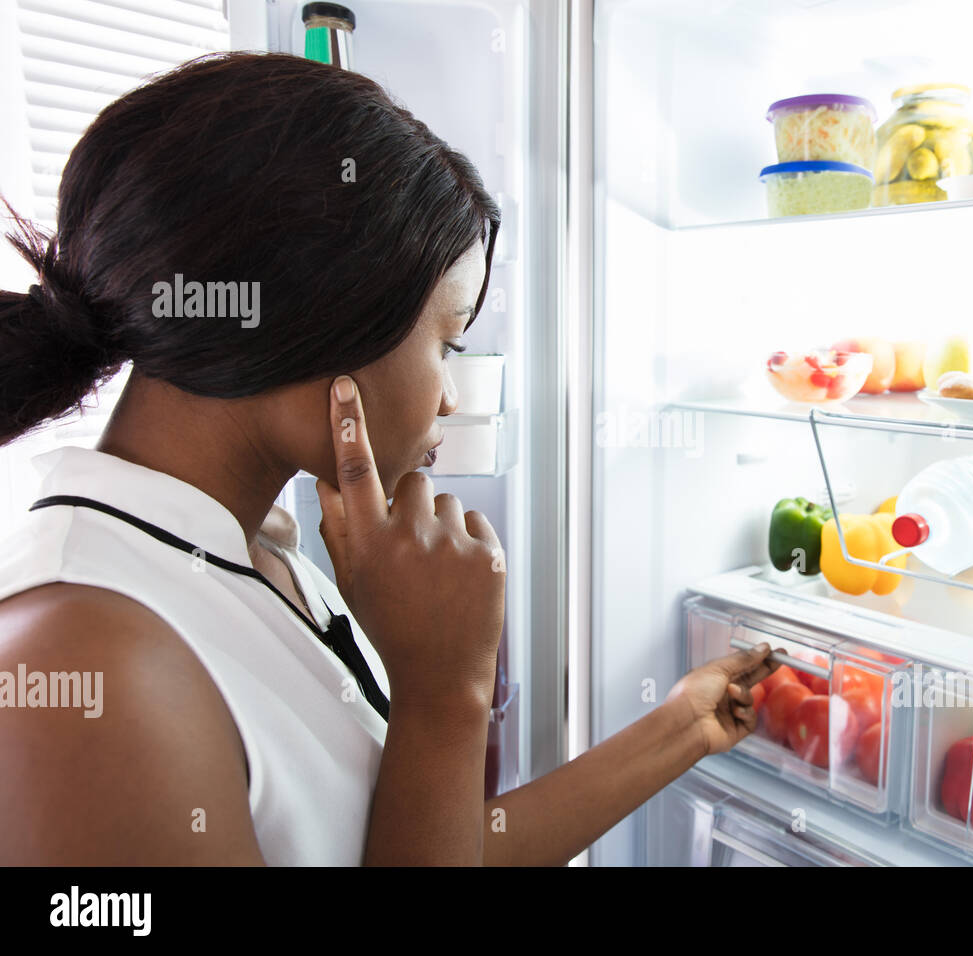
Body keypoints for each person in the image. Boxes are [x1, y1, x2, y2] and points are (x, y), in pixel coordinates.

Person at [0, 52, 777, 865]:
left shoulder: (248, 552)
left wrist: (683, 723)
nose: (449, 398)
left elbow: (424, 846)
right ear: (318, 314)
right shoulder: (88, 670)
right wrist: (445, 692)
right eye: (447, 341)